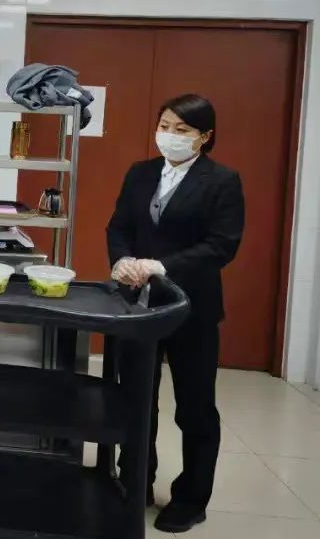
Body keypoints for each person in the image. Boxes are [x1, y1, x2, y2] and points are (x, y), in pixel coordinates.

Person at [107, 94, 245, 534]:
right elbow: (119, 226)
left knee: (195, 407)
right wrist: (122, 260)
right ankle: (135, 481)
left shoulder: (221, 181)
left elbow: (221, 245)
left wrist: (162, 266)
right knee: (136, 398)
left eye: (182, 130)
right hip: (139, 304)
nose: (170, 135)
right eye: (164, 126)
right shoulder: (141, 172)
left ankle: (190, 499)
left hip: (193, 308)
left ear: (205, 137)